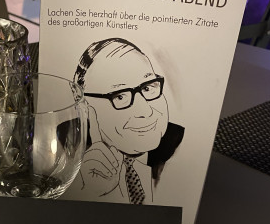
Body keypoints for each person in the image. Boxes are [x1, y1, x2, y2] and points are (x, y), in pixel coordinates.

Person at [66, 37, 184, 204]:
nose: (145, 111)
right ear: (81, 100)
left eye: (147, 87)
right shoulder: (61, 148)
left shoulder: (180, 144)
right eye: (120, 96)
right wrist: (91, 195)